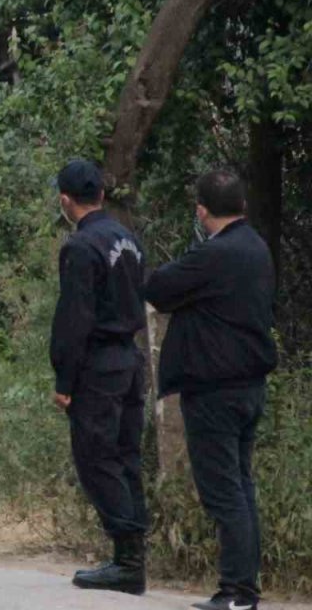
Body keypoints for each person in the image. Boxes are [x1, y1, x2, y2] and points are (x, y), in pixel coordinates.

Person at [145, 170, 277, 610]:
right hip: (248, 387)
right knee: (240, 487)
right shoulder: (256, 248)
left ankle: (237, 592)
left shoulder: (214, 256)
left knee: (223, 492)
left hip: (215, 392)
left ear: (202, 211)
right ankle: (244, 588)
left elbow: (159, 288)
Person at [48, 159, 149, 595]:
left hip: (99, 366)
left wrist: (64, 381)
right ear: (102, 196)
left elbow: (74, 319)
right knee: (125, 454)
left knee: (95, 457)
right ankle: (135, 550)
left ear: (65, 201)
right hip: (130, 358)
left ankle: (128, 560)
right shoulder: (128, 239)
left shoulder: (81, 247)